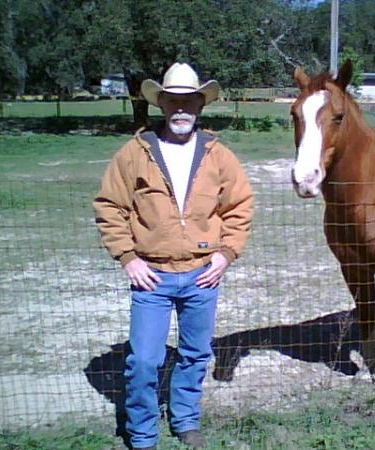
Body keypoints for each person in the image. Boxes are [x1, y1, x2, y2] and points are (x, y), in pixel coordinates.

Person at [93, 62, 254, 450]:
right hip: (152, 276)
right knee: (145, 361)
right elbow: (109, 206)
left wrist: (226, 254)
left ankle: (185, 421)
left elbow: (240, 207)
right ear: (161, 104)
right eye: (173, 101)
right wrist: (128, 257)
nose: (181, 109)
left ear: (200, 105)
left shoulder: (219, 155)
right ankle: (143, 433)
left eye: (189, 102)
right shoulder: (135, 153)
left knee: (195, 354)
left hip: (202, 275)